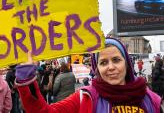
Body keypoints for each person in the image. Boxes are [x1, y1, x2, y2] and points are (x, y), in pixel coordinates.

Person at [15, 38, 162, 112]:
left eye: (116, 60)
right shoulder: (85, 98)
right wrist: (26, 78)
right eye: (103, 63)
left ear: (127, 63)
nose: (111, 67)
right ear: (97, 68)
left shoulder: (150, 99)